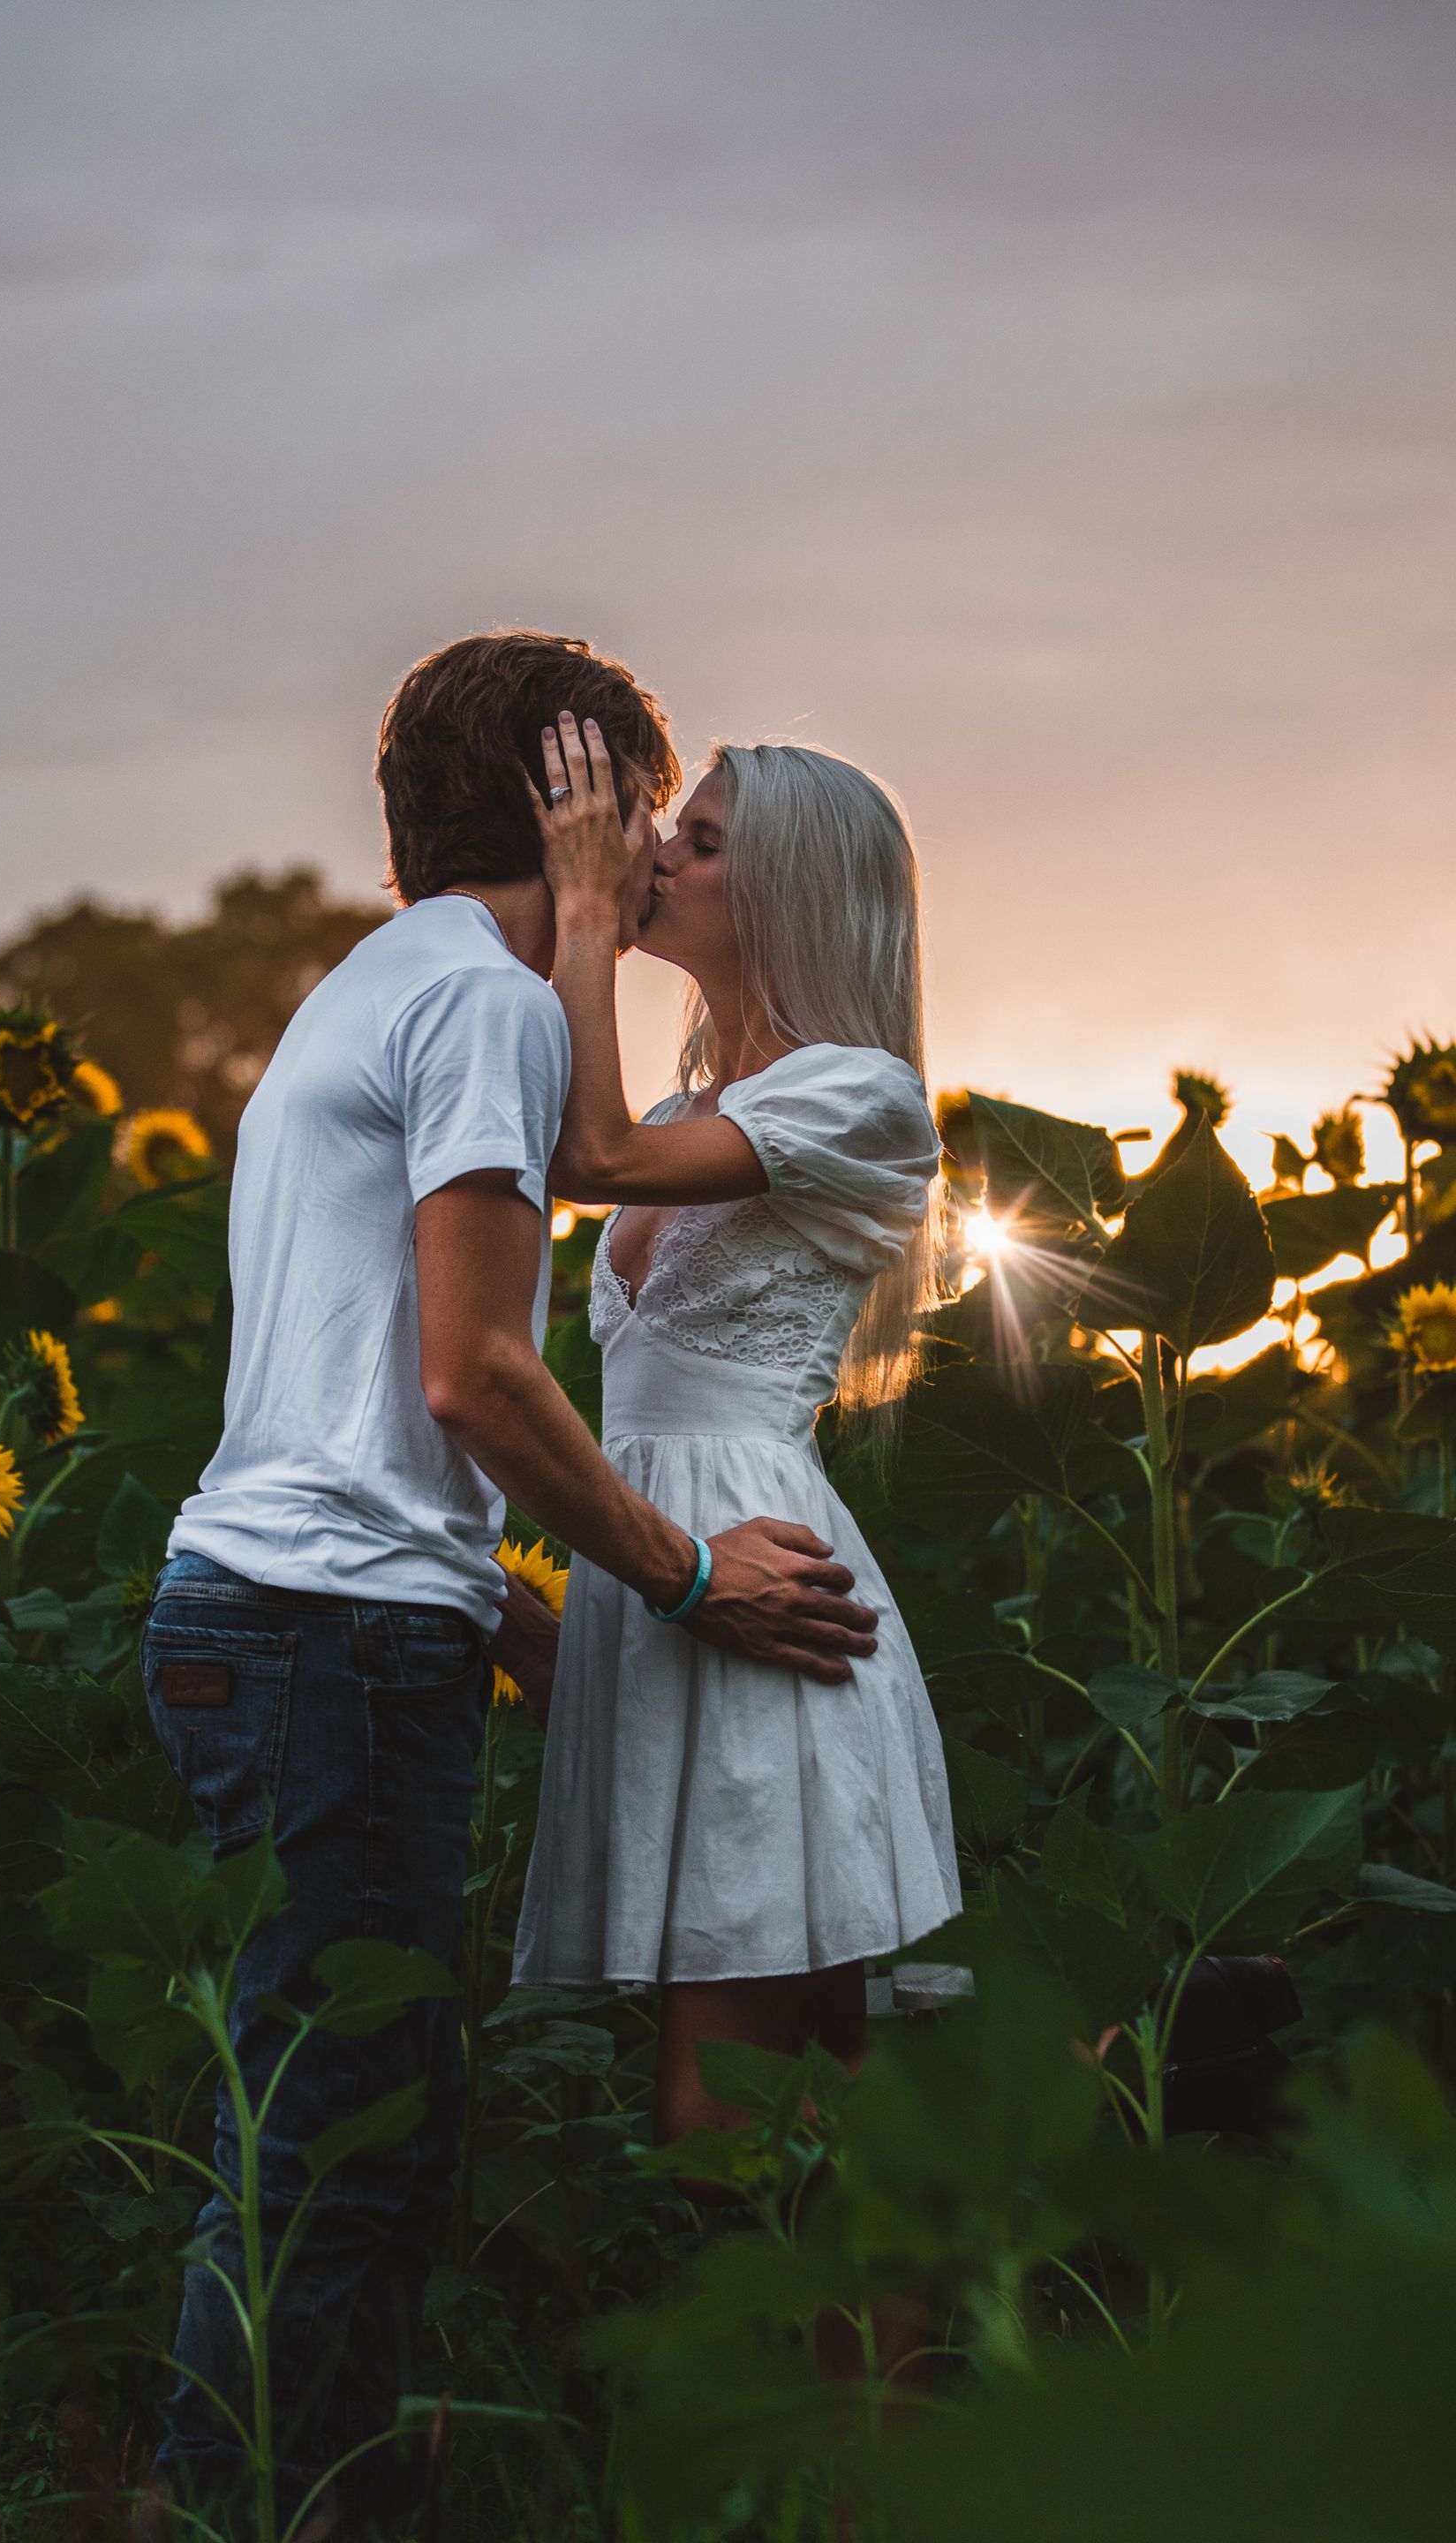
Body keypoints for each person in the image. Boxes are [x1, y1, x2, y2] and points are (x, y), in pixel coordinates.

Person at [141, 632, 879, 2539]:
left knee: (310, 2125)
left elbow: (362, 1384)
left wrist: (524, 1616)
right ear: (583, 795)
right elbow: (472, 1373)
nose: (657, 848)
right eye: (652, 801)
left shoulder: (381, 981)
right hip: (334, 1639)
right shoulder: (488, 1007)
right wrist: (686, 1573)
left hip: (289, 1611)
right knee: (337, 2157)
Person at [512, 720, 962, 2136]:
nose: (656, 856)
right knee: (810, 2101)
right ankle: (914, 2338)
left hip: (765, 1596)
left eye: (699, 842)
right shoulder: (685, 1100)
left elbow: (589, 1161)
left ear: (789, 897)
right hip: (664, 1591)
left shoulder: (859, 1094)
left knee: (730, 2123)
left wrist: (584, 912)